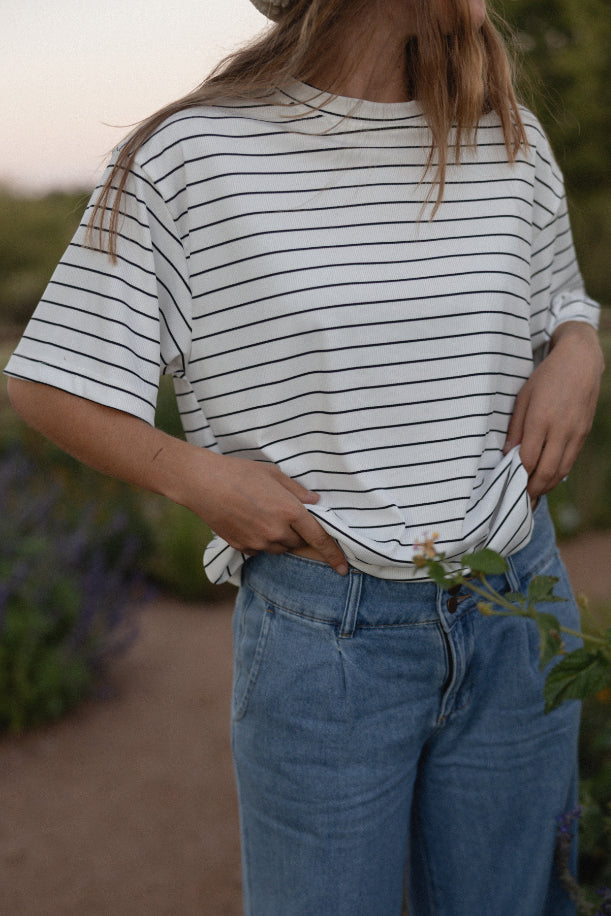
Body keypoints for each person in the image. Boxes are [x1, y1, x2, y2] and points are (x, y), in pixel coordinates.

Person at [5, 0, 604, 912]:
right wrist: (201, 479)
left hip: (519, 602)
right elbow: (50, 383)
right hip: (329, 631)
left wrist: (578, 348)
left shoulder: (507, 140)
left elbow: (561, 297)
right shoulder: (190, 158)